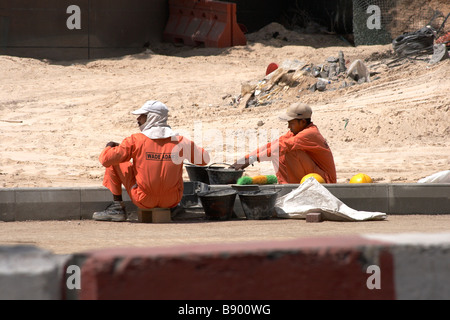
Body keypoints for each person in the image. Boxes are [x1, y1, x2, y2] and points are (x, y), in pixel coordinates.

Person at [93, 100, 210, 222]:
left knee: (115, 161)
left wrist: (109, 146)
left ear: (151, 117)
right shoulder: (180, 141)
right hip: (172, 200)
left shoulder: (136, 140)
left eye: (142, 115)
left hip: (143, 199)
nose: (138, 119)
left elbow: (105, 160)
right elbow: (204, 159)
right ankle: (176, 209)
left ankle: (117, 208)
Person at [230, 102, 336, 184]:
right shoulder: (297, 132)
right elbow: (273, 144)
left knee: (286, 151)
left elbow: (282, 147)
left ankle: (287, 186)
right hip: (313, 175)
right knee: (276, 147)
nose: (289, 127)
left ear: (303, 122)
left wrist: (252, 159)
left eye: (291, 123)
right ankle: (285, 185)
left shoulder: (310, 133)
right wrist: (244, 160)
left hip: (326, 181)